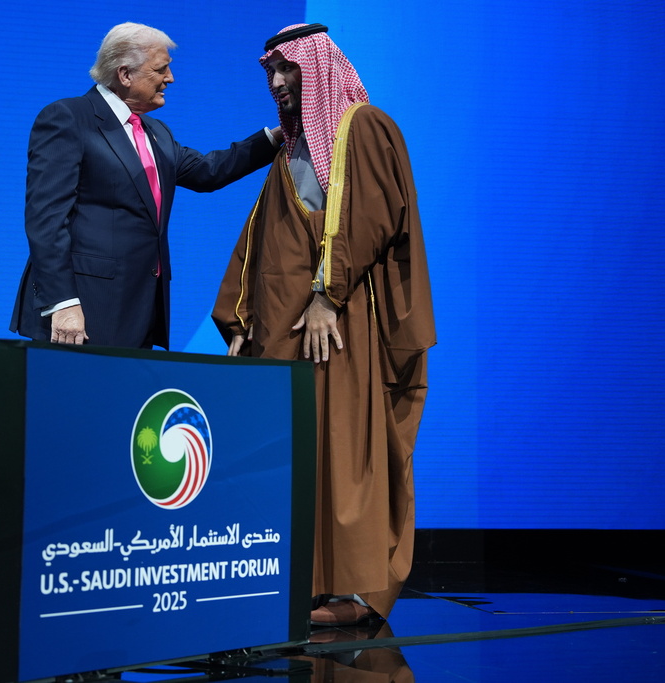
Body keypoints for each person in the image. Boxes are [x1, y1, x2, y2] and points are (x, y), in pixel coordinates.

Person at [212, 23, 435, 625]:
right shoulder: (291, 150)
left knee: (344, 451)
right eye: (270, 73)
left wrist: (327, 298)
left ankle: (356, 593)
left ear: (319, 68)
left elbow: (370, 218)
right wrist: (238, 317)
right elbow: (259, 239)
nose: (277, 83)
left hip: (338, 331)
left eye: (288, 70)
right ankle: (298, 585)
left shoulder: (362, 127)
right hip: (281, 334)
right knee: (290, 457)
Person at [12, 22, 281, 349]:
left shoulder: (157, 133)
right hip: (82, 308)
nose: (171, 79)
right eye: (161, 69)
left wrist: (276, 137)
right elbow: (46, 219)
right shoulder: (69, 118)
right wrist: (63, 303)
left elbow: (209, 171)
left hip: (139, 309)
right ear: (125, 74)